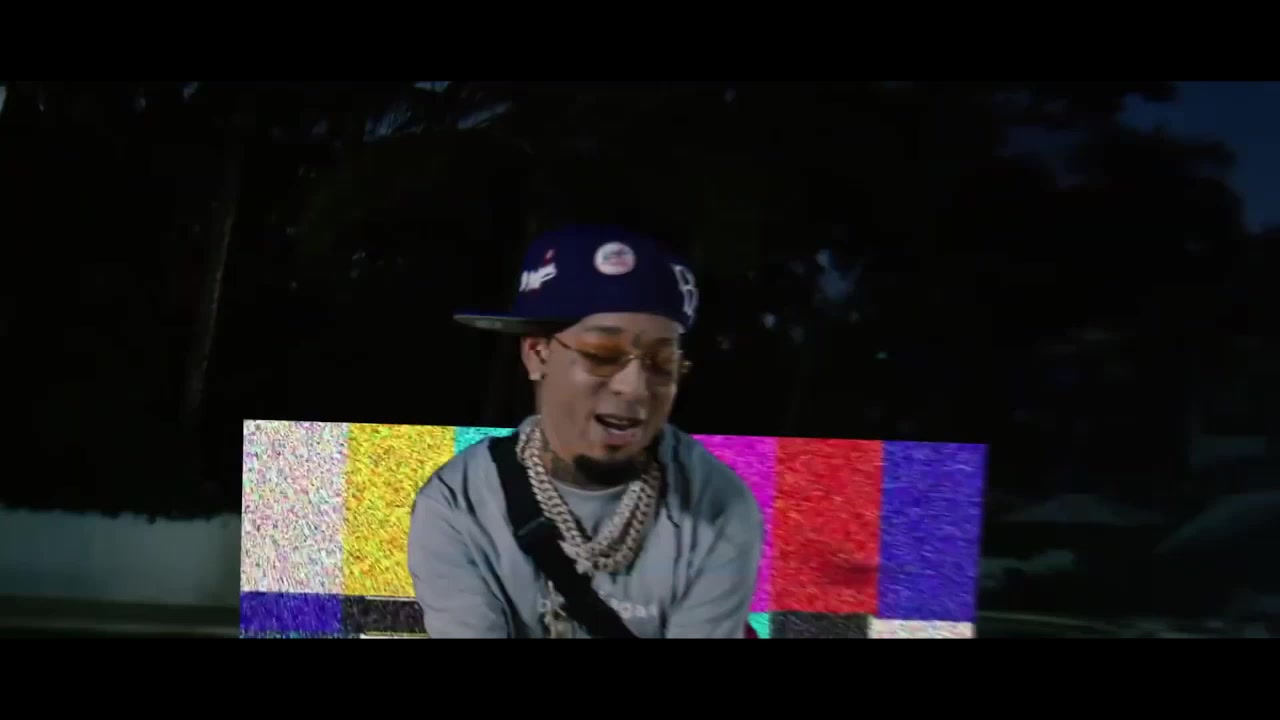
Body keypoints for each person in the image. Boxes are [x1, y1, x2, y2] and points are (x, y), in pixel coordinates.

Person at [407, 225, 764, 638]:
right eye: (602, 355)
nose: (635, 387)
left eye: (662, 362)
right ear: (537, 354)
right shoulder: (456, 506)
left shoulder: (718, 506)